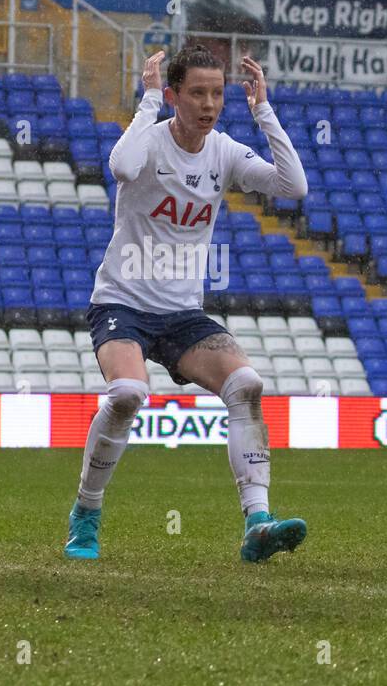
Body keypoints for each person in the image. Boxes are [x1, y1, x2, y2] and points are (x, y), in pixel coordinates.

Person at [64, 44, 310, 563]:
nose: (209, 103)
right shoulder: (150, 141)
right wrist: (148, 99)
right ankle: (86, 513)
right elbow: (121, 165)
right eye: (197, 92)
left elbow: (293, 186)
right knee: (128, 392)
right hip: (122, 302)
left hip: (180, 314)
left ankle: (258, 523)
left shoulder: (223, 152)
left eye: (217, 93)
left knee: (246, 384)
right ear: (175, 94)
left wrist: (262, 110)